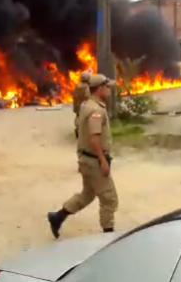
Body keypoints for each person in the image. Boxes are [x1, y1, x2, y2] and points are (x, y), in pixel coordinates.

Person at [47, 74, 118, 238]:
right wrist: (103, 161)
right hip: (94, 161)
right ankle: (108, 236)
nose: (109, 90)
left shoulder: (87, 105)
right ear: (99, 89)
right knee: (109, 199)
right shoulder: (96, 110)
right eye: (107, 87)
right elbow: (94, 139)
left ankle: (57, 217)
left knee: (87, 194)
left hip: (86, 159)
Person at [72, 71, 92, 138]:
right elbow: (87, 96)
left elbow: (74, 95)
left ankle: (78, 129)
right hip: (85, 106)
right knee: (86, 119)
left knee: (78, 117)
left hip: (77, 105)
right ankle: (84, 132)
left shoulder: (77, 86)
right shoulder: (87, 87)